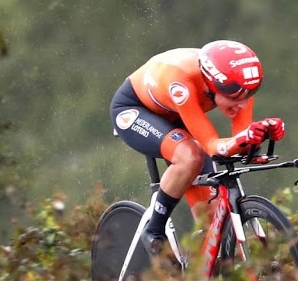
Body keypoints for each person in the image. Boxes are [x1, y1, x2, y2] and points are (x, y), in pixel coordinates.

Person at [109, 40, 285, 249]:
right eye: (235, 98)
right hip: (136, 109)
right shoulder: (181, 82)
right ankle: (154, 230)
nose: (243, 104)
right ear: (212, 85)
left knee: (213, 228)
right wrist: (244, 138)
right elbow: (213, 146)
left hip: (181, 112)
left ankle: (200, 275)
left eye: (249, 95)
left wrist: (258, 136)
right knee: (190, 155)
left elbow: (240, 143)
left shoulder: (239, 86)